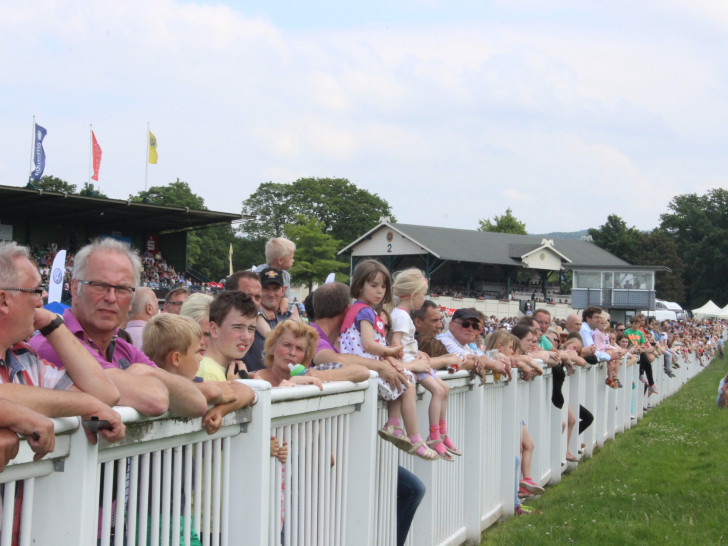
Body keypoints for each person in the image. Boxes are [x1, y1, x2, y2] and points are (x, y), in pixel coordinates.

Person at [30, 238, 208, 418]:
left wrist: (149, 372)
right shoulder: (53, 343)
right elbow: (154, 400)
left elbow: (197, 403)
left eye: (122, 288)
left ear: (131, 299)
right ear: (75, 288)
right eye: (99, 285)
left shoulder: (123, 347)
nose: (111, 297)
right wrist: (150, 376)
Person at [0, 241, 125, 448]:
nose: (44, 297)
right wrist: (87, 404)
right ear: (3, 300)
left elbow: (105, 394)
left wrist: (53, 325)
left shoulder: (24, 356)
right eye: (36, 290)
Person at [340, 260, 438, 460]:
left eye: (383, 286)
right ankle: (414, 437)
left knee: (401, 380)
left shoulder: (361, 310)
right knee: (407, 384)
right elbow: (368, 344)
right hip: (365, 364)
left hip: (365, 362)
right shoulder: (364, 311)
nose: (379, 291)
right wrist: (390, 351)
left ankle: (394, 424)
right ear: (359, 285)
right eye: (374, 285)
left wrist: (388, 353)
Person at [142, 313, 256, 435]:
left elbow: (247, 391)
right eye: (196, 352)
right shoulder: (148, 389)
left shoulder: (196, 381)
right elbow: (213, 392)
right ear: (176, 358)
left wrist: (220, 410)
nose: (201, 358)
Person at [391, 268, 460, 460]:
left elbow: (404, 343)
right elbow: (396, 344)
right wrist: (411, 359)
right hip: (411, 364)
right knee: (438, 391)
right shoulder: (401, 315)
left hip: (414, 359)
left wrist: (416, 351)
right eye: (423, 294)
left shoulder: (401, 314)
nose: (423, 299)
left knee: (444, 388)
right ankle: (434, 436)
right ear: (415, 294)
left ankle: (441, 433)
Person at [243, 268, 295, 373]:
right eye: (266, 288)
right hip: (255, 384)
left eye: (276, 288)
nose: (271, 294)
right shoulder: (246, 316)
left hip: (288, 384)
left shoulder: (291, 316)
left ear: (283, 290)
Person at [197, 292, 257, 382]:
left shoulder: (224, 371)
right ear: (214, 330)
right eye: (237, 327)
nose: (247, 337)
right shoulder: (209, 372)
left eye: (251, 329)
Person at [255, 237, 297, 316]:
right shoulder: (258, 273)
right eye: (291, 258)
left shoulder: (286, 276)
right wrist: (262, 309)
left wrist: (284, 300)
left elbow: (285, 295)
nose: (293, 260)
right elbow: (251, 296)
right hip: (258, 311)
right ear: (280, 260)